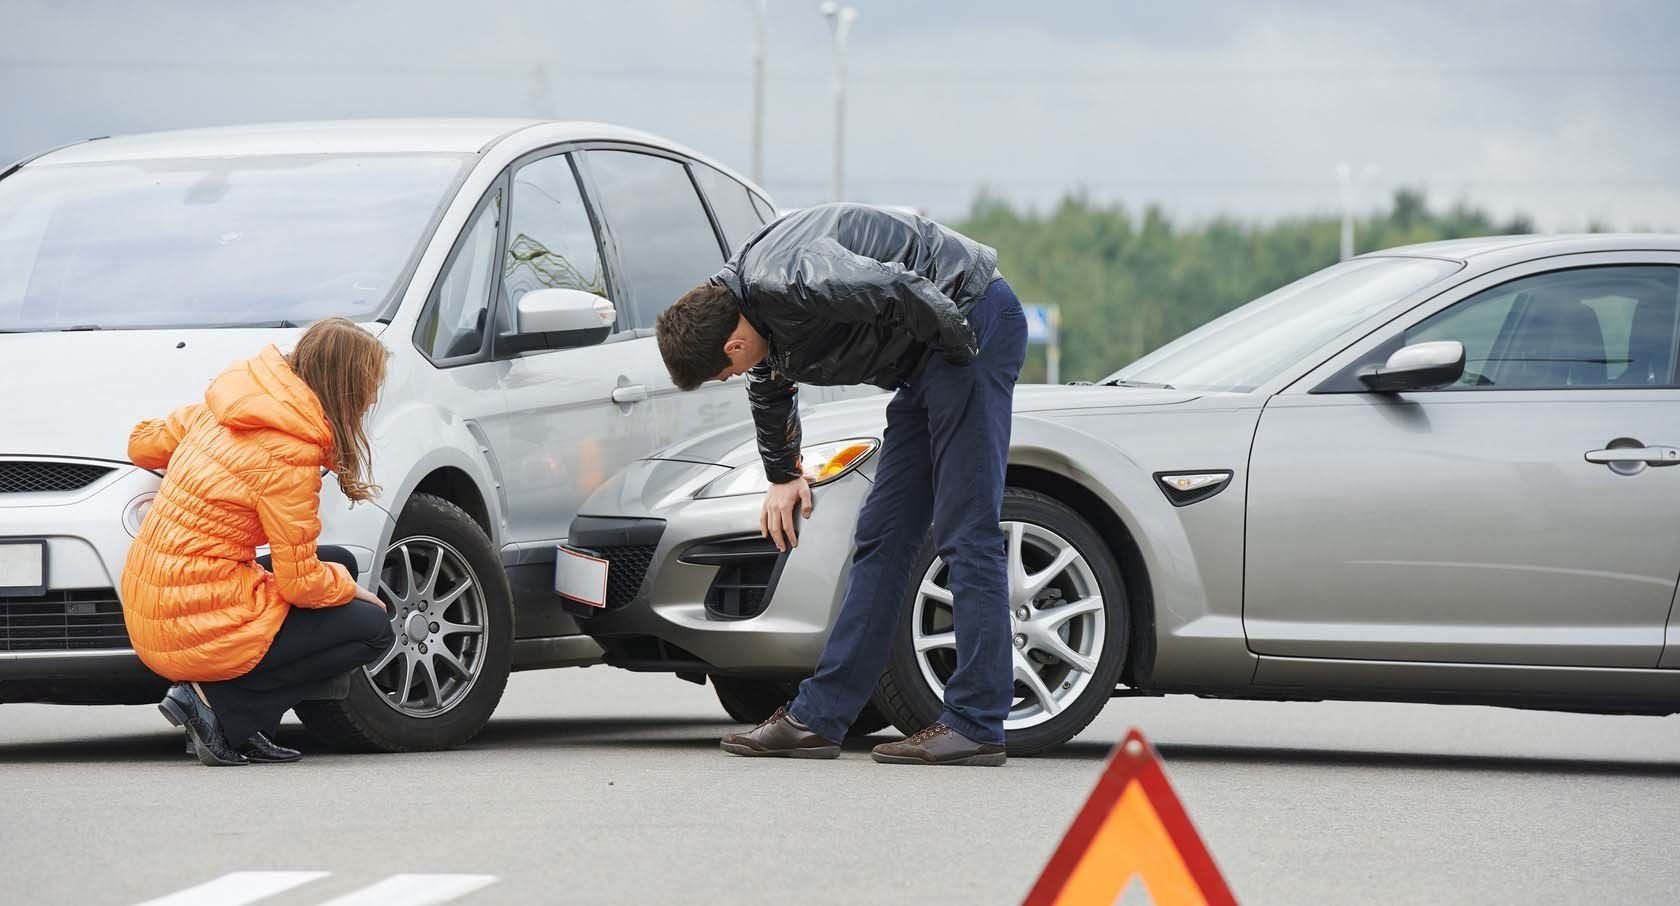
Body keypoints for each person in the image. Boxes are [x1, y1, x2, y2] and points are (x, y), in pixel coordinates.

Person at [656, 203, 1028, 766]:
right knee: (882, 533)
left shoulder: (794, 278)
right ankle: (819, 718)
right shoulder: (747, 304)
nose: (732, 377)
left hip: (968, 325)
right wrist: (782, 475)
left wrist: (960, 363)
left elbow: (901, 288)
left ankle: (977, 722)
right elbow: (770, 384)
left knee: (964, 526)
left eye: (722, 373)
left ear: (731, 345)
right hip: (929, 358)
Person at [120, 318, 395, 766]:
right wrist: (351, 588)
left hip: (152, 595)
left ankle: (239, 724)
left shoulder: (233, 404)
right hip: (192, 617)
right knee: (371, 628)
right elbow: (300, 584)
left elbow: (141, 444)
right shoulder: (290, 453)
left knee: (338, 559)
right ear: (347, 388)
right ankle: (220, 710)